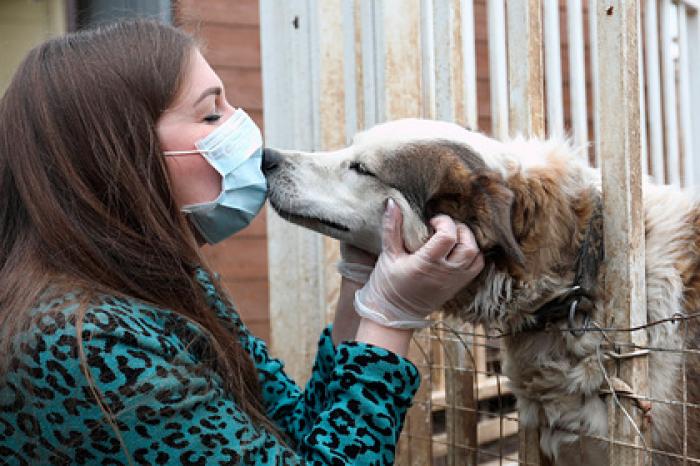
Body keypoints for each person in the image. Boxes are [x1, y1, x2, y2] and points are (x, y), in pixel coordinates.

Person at [0, 20, 484, 465]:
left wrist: (359, 292)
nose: (244, 130)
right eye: (212, 115)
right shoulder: (84, 340)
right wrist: (390, 320)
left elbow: (293, 432)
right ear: (122, 154)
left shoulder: (162, 284)